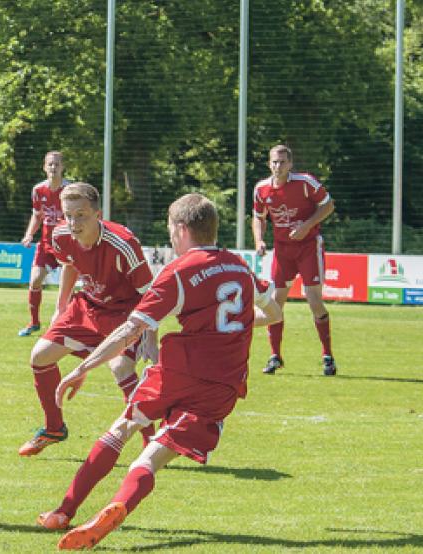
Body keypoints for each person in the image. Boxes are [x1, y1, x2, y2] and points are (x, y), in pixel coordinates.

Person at [36, 194, 282, 550]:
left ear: (181, 229)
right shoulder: (239, 267)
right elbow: (273, 313)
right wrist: (234, 326)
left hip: (178, 371)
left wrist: (83, 367)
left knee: (121, 429)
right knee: (151, 457)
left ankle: (64, 511)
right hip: (225, 385)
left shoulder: (179, 272)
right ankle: (119, 504)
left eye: (170, 228)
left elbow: (129, 331)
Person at [18, 182, 157, 457]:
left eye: (80, 214)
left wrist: (152, 338)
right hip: (88, 305)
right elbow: (70, 263)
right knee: (40, 356)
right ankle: (54, 427)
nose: (73, 222)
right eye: (68, 215)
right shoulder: (60, 235)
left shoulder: (124, 244)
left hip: (125, 312)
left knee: (121, 369)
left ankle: (151, 440)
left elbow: (150, 295)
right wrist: (61, 307)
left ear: (97, 214)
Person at [252, 144, 337, 376]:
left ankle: (327, 355)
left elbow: (328, 205)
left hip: (309, 247)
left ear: (290, 164)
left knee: (313, 300)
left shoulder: (305, 183)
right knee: (276, 303)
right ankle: (275, 356)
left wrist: (306, 225)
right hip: (282, 250)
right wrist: (259, 240)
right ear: (269, 163)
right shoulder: (261, 189)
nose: (277, 166)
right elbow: (258, 217)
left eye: (282, 162)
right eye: (274, 162)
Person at [19, 151, 68, 336]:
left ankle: (64, 325)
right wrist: (29, 234)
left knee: (65, 290)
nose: (53, 168)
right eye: (50, 164)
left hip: (67, 246)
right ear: (44, 167)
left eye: (57, 164)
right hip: (46, 244)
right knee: (35, 280)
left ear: (63, 167)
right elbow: (37, 215)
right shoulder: (38, 190)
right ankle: (34, 322)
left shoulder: (70, 190)